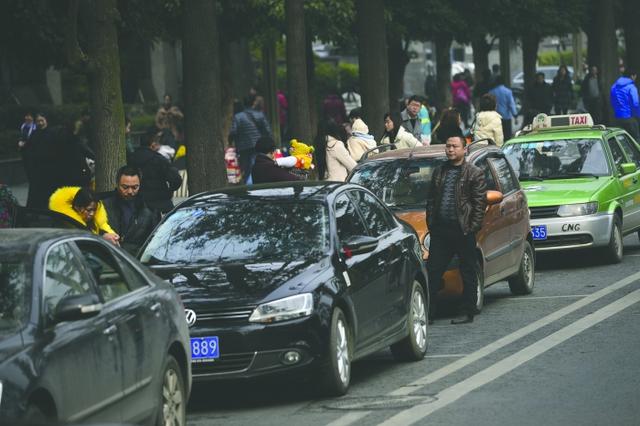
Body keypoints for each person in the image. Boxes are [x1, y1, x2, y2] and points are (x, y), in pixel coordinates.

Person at [425, 132, 487, 324]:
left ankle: (467, 311)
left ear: (464, 149)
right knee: (433, 272)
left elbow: (479, 204)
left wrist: (472, 227)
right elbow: (432, 200)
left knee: (468, 271)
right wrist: (432, 224)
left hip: (463, 230)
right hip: (441, 231)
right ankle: (429, 312)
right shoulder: (439, 171)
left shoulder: (474, 173)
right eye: (448, 146)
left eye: (454, 146)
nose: (450, 149)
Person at [101, 166, 159, 255]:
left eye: (135, 187)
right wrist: (102, 236)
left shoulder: (150, 209)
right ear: (117, 184)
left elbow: (155, 241)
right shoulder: (104, 205)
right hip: (109, 257)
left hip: (136, 261)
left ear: (140, 185)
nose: (130, 191)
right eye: (125, 187)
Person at [128, 129, 183, 214]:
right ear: (153, 145)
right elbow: (176, 179)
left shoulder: (130, 159)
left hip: (137, 205)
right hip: (161, 204)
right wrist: (169, 191)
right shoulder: (159, 159)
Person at [48, 186, 120, 245]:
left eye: (94, 210)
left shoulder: (94, 222)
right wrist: (102, 238)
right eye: (89, 210)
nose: (92, 214)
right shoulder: (67, 223)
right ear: (77, 207)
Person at [229, 93, 273, 183]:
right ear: (253, 103)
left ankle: (246, 186)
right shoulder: (260, 115)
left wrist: (230, 141)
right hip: (258, 145)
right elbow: (268, 130)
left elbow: (233, 131)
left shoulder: (238, 117)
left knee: (245, 169)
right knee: (258, 166)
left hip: (243, 147)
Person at [610, 69, 640, 141]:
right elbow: (635, 103)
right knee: (635, 140)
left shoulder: (614, 86)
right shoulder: (631, 87)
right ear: (632, 76)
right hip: (629, 117)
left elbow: (612, 102)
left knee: (621, 140)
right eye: (635, 76)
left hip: (617, 118)